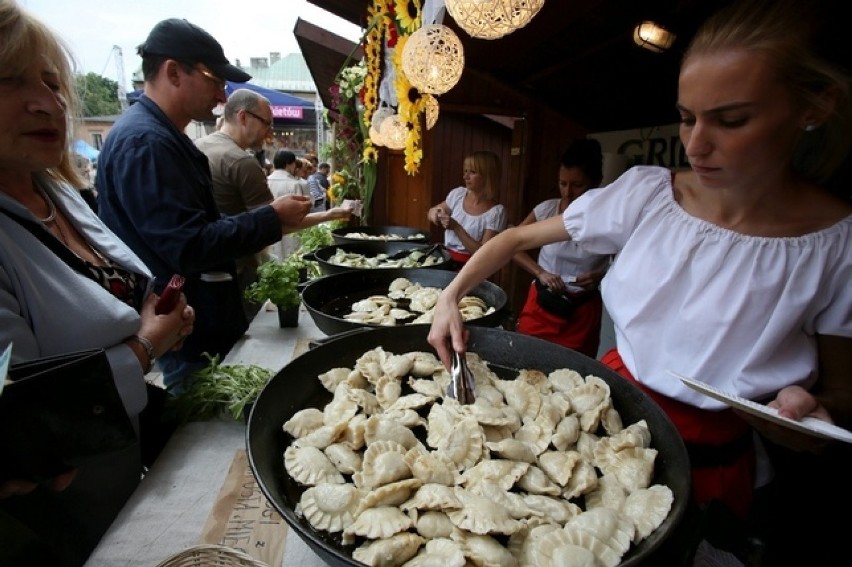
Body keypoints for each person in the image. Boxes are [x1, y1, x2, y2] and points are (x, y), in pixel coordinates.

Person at [427, 0, 851, 563]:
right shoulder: (649, 195)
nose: (696, 144)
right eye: (687, 117)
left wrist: (812, 413)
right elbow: (511, 240)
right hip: (599, 417)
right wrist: (450, 298)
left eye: (731, 120)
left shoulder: (837, 244)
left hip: (715, 459)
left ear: (813, 107)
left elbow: (841, 393)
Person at [0, 2, 194, 564]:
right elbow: (23, 410)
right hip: (49, 517)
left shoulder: (56, 193)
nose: (47, 102)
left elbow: (106, 291)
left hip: (118, 472)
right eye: (9, 80)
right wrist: (148, 343)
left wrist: (159, 313)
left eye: (52, 82)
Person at [96, 18, 312, 393]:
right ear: (173, 72)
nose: (221, 97)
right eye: (215, 80)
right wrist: (271, 217)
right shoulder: (146, 143)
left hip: (197, 316)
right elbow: (188, 245)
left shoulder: (161, 137)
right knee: (201, 416)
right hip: (187, 325)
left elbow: (192, 229)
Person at [512, 139, 610, 358]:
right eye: (562, 183)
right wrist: (541, 272)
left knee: (575, 374)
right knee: (525, 359)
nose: (568, 192)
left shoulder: (609, 218)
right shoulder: (547, 210)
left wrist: (603, 275)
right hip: (542, 303)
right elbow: (513, 246)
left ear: (597, 182)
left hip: (581, 312)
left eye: (577, 185)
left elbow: (628, 261)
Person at [194, 88, 276, 321]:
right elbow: (273, 224)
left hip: (200, 275)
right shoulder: (241, 161)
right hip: (238, 274)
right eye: (266, 123)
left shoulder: (195, 146)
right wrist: (329, 214)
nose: (268, 132)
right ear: (243, 117)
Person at [267, 149, 356, 260]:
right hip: (293, 232)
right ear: (288, 164)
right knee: (292, 259)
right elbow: (303, 212)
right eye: (294, 164)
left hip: (270, 233)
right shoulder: (295, 184)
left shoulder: (266, 181)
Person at [426, 150, 507, 267]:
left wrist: (456, 227)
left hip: (471, 269)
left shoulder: (496, 212)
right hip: (444, 260)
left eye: (472, 172)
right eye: (465, 171)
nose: (465, 176)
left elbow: (483, 253)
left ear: (488, 176)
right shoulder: (458, 194)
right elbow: (433, 211)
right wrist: (435, 213)